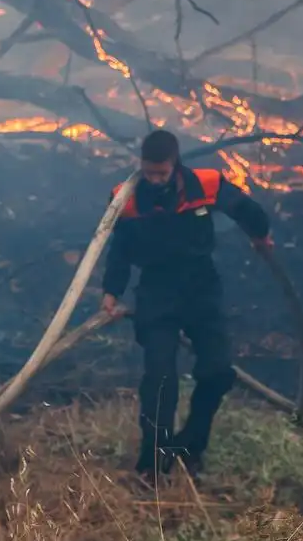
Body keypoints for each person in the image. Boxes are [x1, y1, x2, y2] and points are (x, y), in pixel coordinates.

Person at [100, 129, 273, 481]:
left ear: (175, 164)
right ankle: (152, 465)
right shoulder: (125, 198)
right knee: (161, 380)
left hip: (201, 288)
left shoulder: (205, 184)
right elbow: (118, 251)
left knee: (218, 371)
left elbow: (245, 208)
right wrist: (111, 292)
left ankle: (189, 448)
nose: (154, 179)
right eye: (148, 172)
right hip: (156, 291)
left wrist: (260, 234)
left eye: (160, 173)